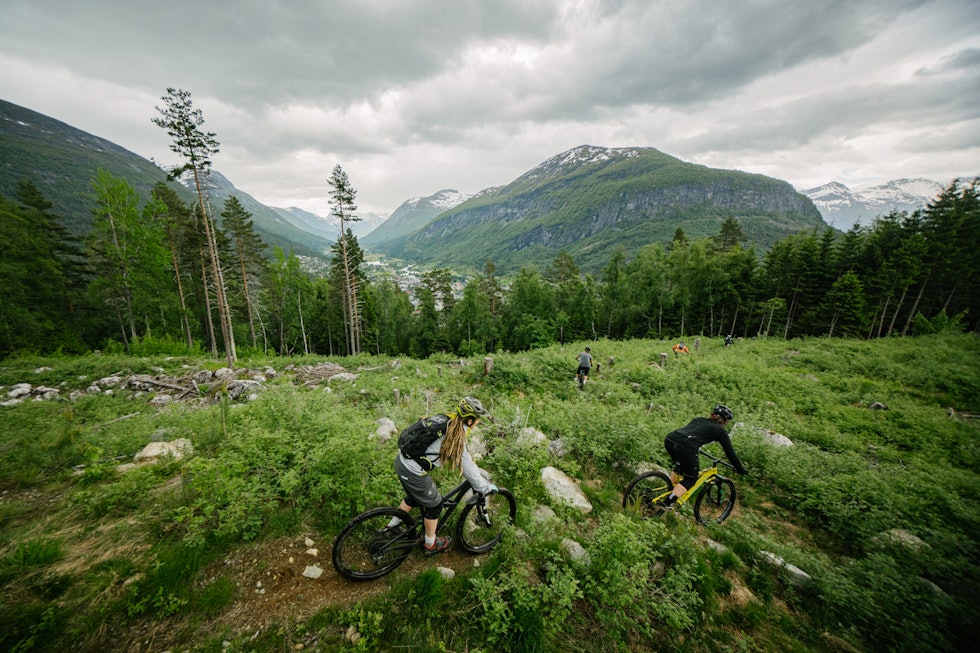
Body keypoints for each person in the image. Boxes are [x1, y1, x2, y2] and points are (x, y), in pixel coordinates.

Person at [386, 397, 497, 555]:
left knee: (416, 496)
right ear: (470, 421)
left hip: (402, 461)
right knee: (435, 505)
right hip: (412, 471)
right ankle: (430, 544)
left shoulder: (447, 419)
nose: (479, 422)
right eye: (478, 420)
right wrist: (484, 487)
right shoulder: (456, 437)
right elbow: (468, 468)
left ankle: (392, 526)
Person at [662, 404, 748, 507]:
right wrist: (740, 469)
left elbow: (693, 433)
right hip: (686, 446)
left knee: (680, 466)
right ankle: (667, 503)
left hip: (671, 439)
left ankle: (668, 490)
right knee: (690, 479)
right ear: (725, 421)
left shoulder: (699, 419)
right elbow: (730, 453)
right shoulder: (721, 431)